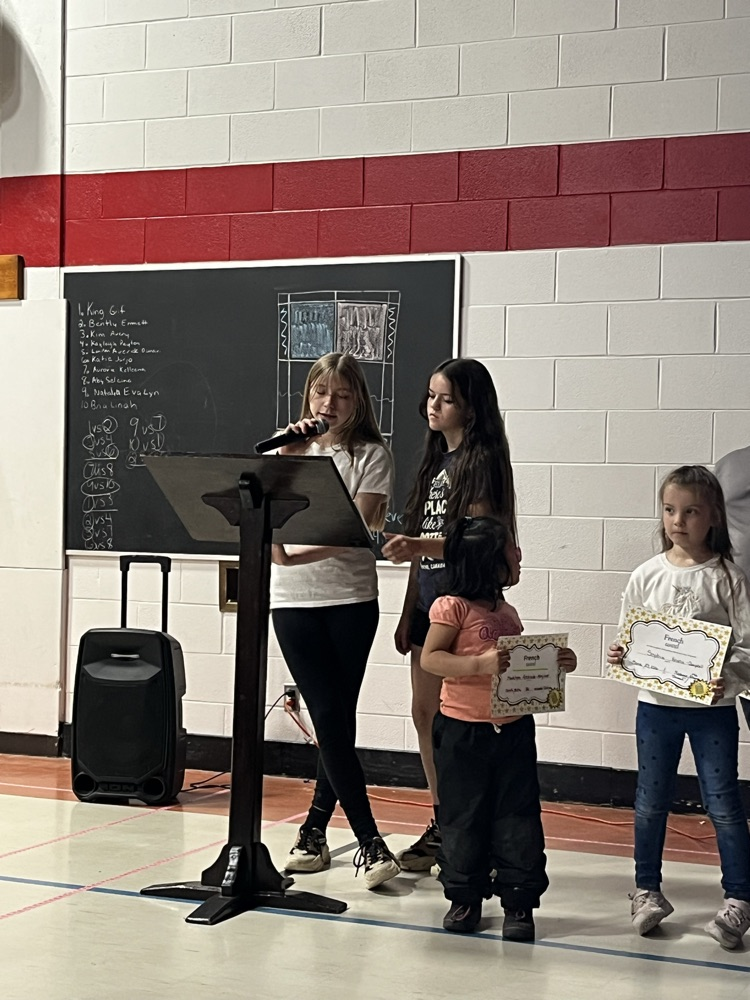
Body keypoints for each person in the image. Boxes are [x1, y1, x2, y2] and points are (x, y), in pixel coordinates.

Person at [381, 358, 517, 872]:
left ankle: (465, 826)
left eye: (445, 399)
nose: (431, 407)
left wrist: (418, 544)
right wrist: (407, 609)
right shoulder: (436, 459)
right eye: (430, 396)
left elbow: (481, 542)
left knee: (458, 724)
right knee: (424, 715)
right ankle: (443, 820)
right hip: (428, 602)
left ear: (471, 408)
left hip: (461, 608)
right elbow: (424, 550)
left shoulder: (480, 462)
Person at [270, 352, 400, 890]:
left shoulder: (371, 454)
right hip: (292, 601)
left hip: (349, 599)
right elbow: (260, 511)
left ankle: (316, 834)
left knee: (333, 718)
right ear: (308, 396)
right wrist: (290, 454)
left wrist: (294, 554)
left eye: (343, 394)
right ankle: (366, 842)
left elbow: (360, 527)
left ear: (359, 401)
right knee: (331, 718)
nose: (330, 403)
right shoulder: (288, 447)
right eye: (322, 392)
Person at [607, 465, 750, 949]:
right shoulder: (646, 575)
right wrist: (621, 655)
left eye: (690, 511)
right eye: (670, 510)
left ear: (713, 516)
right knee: (650, 800)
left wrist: (724, 679)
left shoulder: (729, 578)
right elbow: (630, 635)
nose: (678, 520)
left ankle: (739, 899)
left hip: (713, 711)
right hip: (656, 708)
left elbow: (748, 649)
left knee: (723, 803)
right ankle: (646, 890)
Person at [421, 515, 577, 938]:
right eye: (511, 549)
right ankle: (464, 897)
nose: (519, 555)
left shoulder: (507, 611)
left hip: (512, 731)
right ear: (487, 562)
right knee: (463, 818)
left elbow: (520, 663)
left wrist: (558, 664)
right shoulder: (450, 607)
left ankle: (519, 902)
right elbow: (431, 658)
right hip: (462, 733)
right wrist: (477, 664)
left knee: (519, 817)